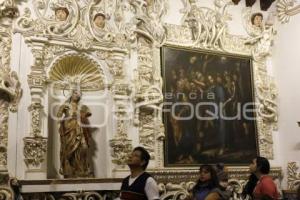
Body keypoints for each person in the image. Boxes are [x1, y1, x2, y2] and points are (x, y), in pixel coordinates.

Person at [57, 89, 93, 178]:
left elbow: (87, 114)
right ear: (71, 94)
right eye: (75, 93)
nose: (77, 95)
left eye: (79, 94)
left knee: (83, 148)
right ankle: (69, 171)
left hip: (79, 129)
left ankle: (81, 169)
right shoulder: (65, 105)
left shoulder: (81, 107)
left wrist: (81, 114)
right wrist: (61, 113)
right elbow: (58, 116)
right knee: (69, 150)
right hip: (68, 129)